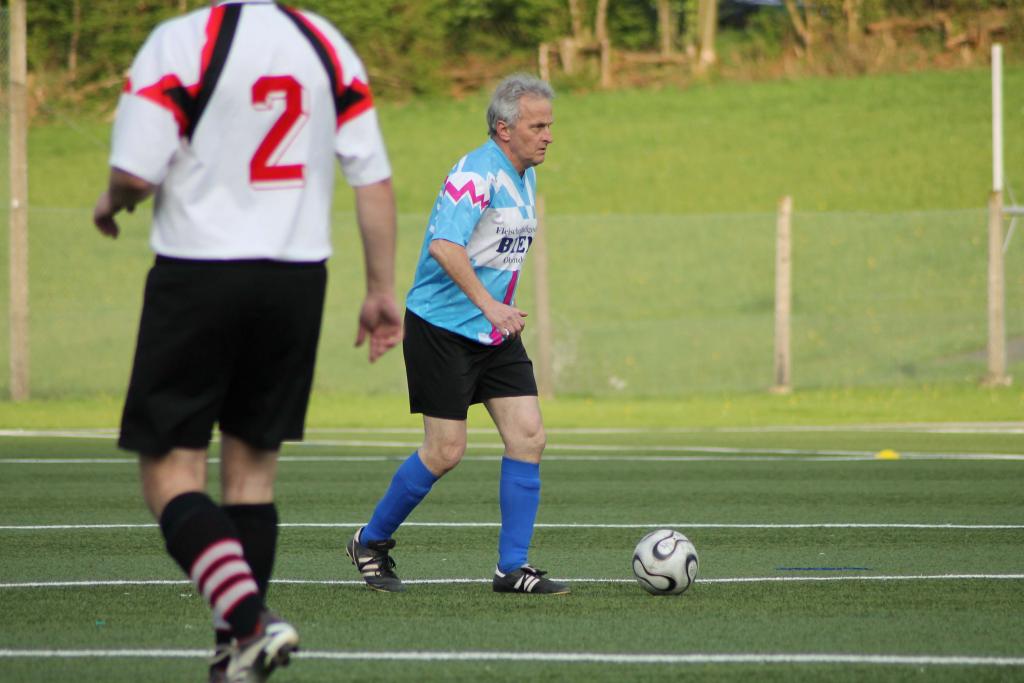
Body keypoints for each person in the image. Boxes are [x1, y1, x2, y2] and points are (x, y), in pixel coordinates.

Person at [92, 1, 402, 680]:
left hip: (199, 273)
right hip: (297, 280)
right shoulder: (326, 43)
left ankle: (249, 621)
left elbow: (136, 172)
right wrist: (381, 288)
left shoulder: (182, 40)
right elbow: (372, 177)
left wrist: (111, 201)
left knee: (169, 471)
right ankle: (234, 657)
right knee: (252, 480)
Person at [345, 73, 567, 596]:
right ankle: (369, 541)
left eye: (549, 126)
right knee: (445, 451)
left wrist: (494, 313)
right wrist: (491, 305)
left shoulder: (525, 176)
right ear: (504, 128)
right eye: (537, 127)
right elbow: (444, 246)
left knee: (529, 436)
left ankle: (512, 569)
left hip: (494, 332)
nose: (548, 136)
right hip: (442, 329)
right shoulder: (474, 174)